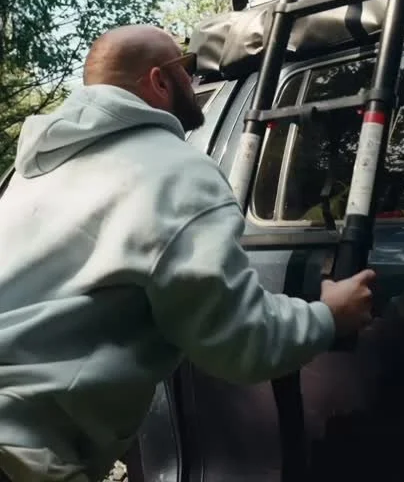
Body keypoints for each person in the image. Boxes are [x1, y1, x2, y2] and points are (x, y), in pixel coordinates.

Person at [0, 26, 375, 482]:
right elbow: (239, 341)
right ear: (159, 81)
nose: (196, 80)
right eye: (189, 67)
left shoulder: (30, 175)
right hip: (22, 454)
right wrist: (329, 316)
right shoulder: (175, 172)